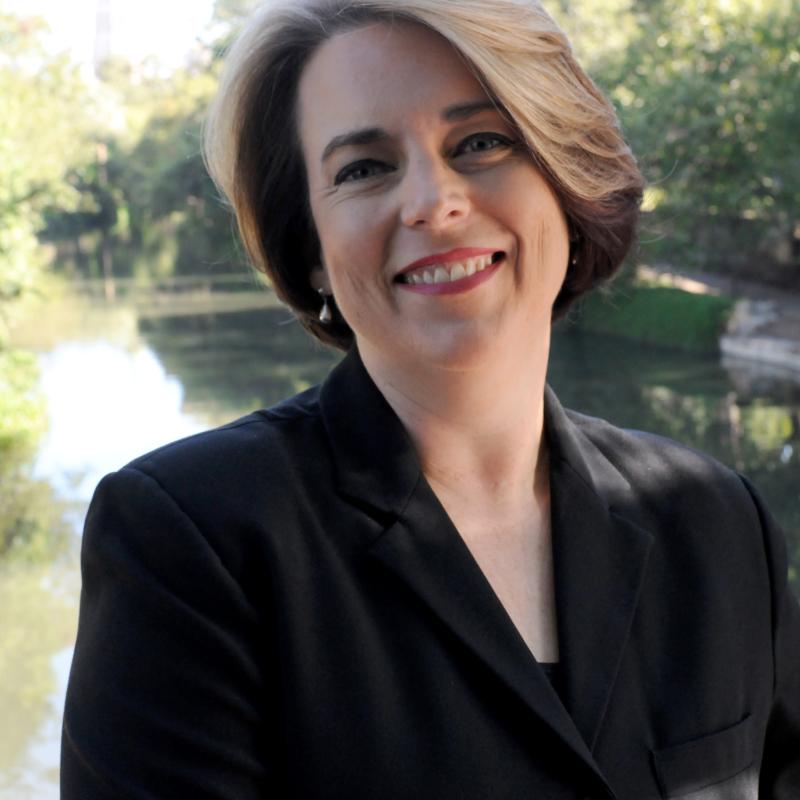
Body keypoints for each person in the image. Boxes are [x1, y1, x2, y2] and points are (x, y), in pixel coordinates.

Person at [61, 0, 800, 797]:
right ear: (309, 248)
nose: (434, 202)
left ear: (566, 179)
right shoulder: (191, 541)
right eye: (363, 169)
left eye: (481, 142)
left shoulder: (719, 522)